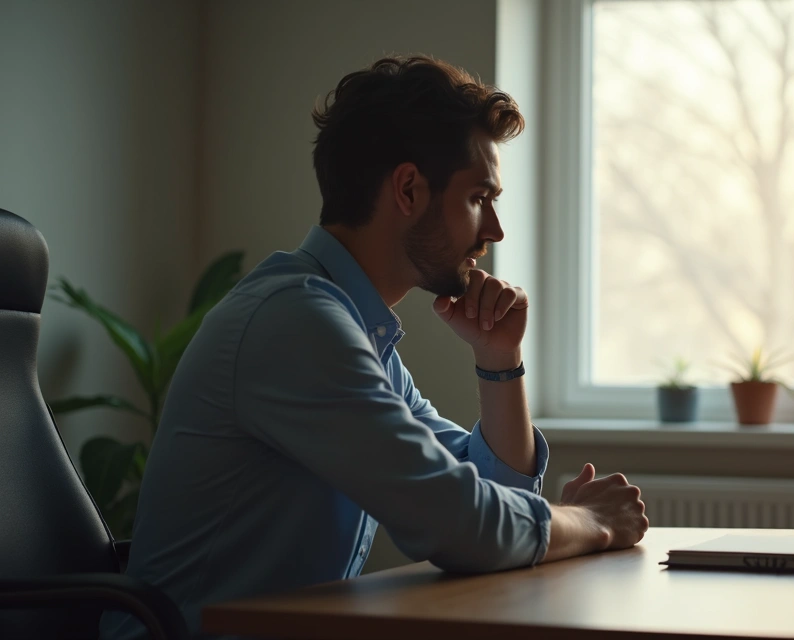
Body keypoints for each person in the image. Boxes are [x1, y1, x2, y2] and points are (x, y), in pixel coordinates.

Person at [101, 55, 648, 640]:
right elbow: (462, 527)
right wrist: (590, 522)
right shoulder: (296, 324)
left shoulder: (353, 328)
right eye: (478, 198)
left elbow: (492, 494)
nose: (494, 230)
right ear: (409, 189)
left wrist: (499, 361)